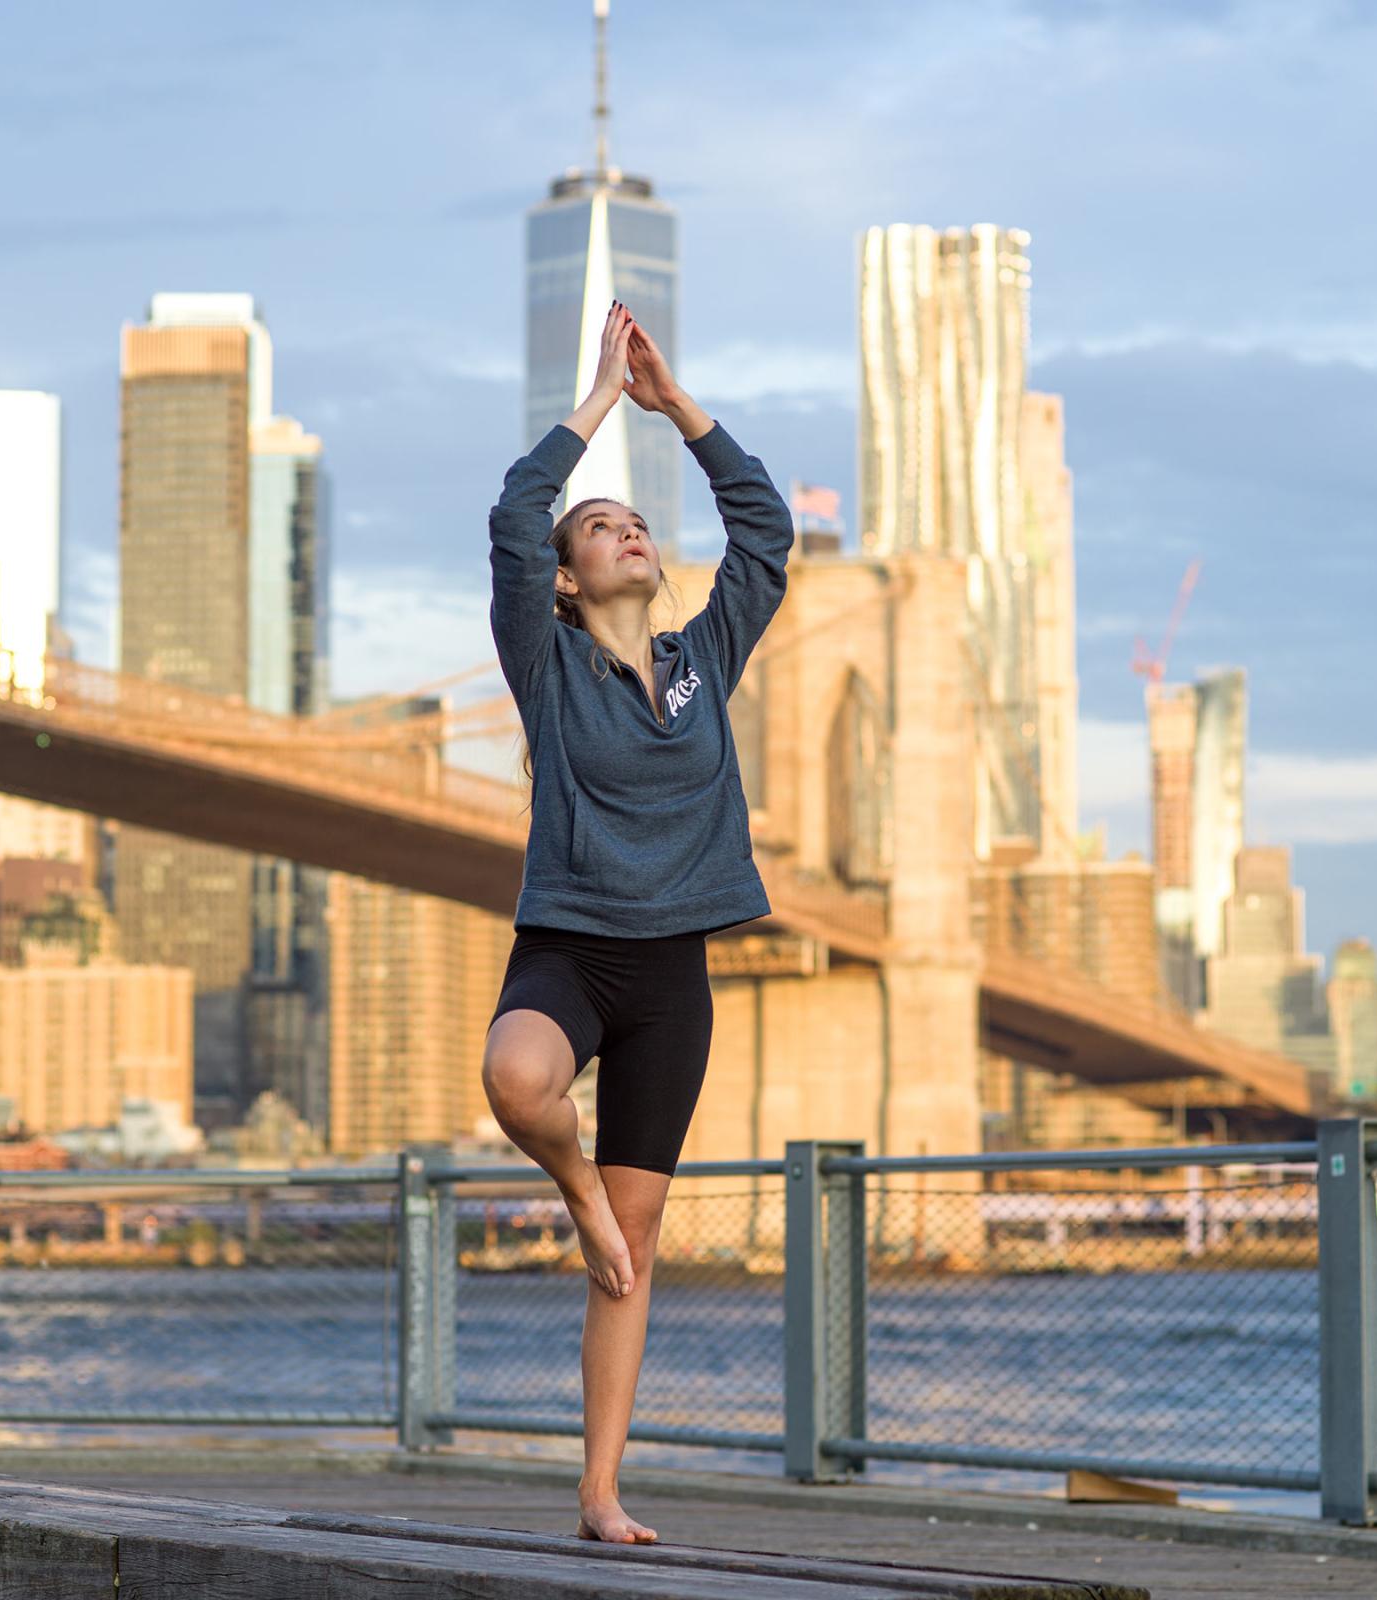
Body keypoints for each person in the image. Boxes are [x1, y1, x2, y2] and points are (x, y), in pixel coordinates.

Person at [481, 299, 793, 1544]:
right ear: (567, 579)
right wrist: (603, 402)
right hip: (570, 947)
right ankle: (575, 1187)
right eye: (602, 526)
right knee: (515, 1079)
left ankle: (601, 1490)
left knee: (639, 1242)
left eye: (637, 520)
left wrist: (681, 408)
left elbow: (764, 537)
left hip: (671, 971)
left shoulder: (701, 661)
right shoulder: (545, 665)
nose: (628, 529)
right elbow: (513, 518)